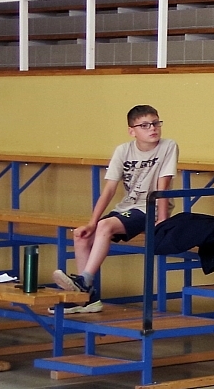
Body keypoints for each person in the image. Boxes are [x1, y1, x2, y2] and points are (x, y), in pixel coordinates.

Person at [54, 105, 177, 307]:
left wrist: (163, 219)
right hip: (127, 208)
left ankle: (84, 281)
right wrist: (91, 223)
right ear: (132, 131)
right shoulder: (123, 150)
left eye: (156, 123)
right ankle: (87, 299)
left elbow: (162, 186)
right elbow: (109, 190)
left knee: (105, 226)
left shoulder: (168, 146)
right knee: (81, 235)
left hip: (149, 208)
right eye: (145, 125)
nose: (153, 128)